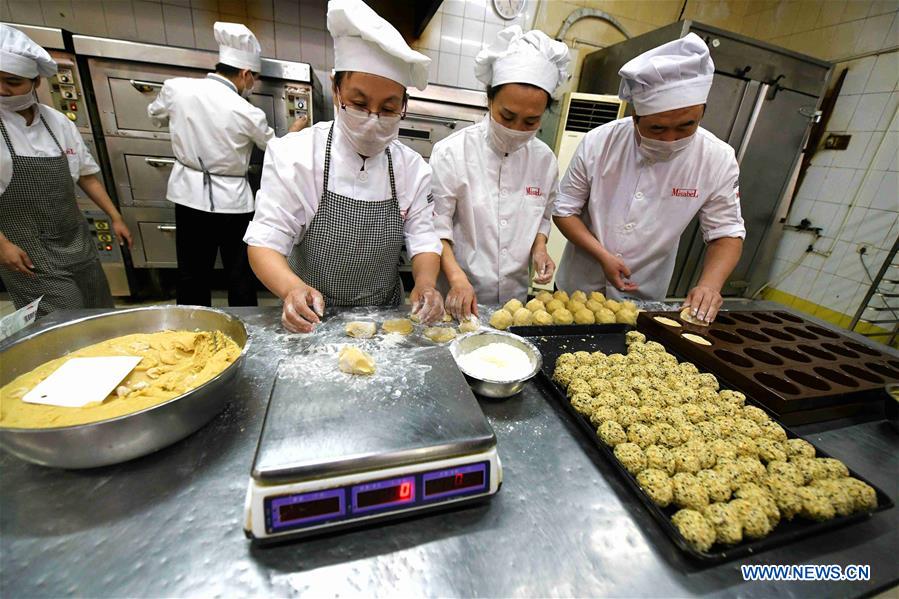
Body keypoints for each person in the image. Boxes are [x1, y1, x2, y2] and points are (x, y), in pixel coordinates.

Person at [244, 0, 444, 333]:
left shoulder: (412, 169)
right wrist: (291, 289)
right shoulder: (297, 155)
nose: (372, 120)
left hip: (386, 318)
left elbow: (423, 240)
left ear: (404, 105)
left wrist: (425, 283)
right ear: (336, 88)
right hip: (312, 315)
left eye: (389, 108)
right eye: (360, 103)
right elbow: (265, 242)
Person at [553, 33, 745, 323]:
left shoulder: (717, 158)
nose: (670, 139)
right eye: (657, 129)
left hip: (643, 297)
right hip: (575, 289)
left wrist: (709, 284)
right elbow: (564, 210)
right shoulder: (599, 143)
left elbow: (726, 232)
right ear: (635, 117)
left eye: (686, 126)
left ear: (702, 113)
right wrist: (602, 255)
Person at [147, 22, 306, 308]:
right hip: (233, 203)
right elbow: (276, 150)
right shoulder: (246, 111)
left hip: (188, 193)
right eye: (253, 78)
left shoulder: (177, 89)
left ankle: (192, 331)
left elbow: (155, 116)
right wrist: (295, 129)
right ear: (245, 74)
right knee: (239, 274)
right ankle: (245, 330)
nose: (252, 84)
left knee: (192, 273)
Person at [431, 26, 569, 320]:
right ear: (489, 99)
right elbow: (436, 228)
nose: (516, 129)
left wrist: (540, 249)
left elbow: (543, 217)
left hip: (514, 304)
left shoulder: (545, 161)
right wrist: (456, 279)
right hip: (457, 300)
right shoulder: (452, 153)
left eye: (531, 121)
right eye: (507, 116)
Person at [0, 24, 133, 318]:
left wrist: (116, 217)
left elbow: (86, 175)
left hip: (74, 239)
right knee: (61, 320)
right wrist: (2, 245)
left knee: (98, 310)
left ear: (35, 81)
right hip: (26, 250)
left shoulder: (57, 122)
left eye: (12, 81)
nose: (2, 89)